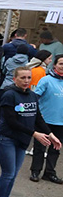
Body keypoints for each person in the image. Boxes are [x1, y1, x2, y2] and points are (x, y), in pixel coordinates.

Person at [0, 66, 61, 197]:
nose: (26, 81)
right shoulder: (9, 95)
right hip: (7, 139)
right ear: (15, 78)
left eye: (28, 78)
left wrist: (50, 134)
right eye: (22, 78)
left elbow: (37, 118)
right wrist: (35, 134)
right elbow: (11, 121)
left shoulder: (32, 96)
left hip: (22, 140)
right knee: (8, 173)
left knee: (13, 174)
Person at [29, 54, 63, 184]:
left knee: (56, 149)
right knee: (40, 148)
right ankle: (35, 171)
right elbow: (35, 97)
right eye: (61, 63)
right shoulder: (46, 80)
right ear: (54, 65)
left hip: (61, 122)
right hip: (45, 121)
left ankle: (49, 173)